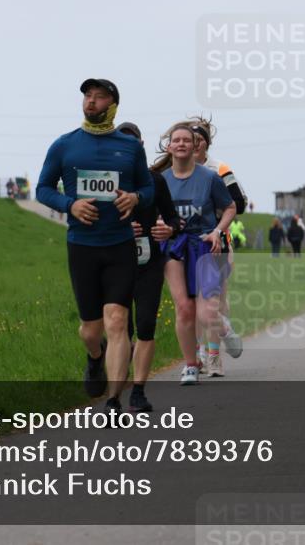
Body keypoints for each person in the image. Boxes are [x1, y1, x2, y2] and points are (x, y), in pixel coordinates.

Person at [36, 79, 153, 416]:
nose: (91, 101)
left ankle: (114, 400)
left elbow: (146, 188)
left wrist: (135, 197)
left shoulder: (130, 147)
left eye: (99, 96)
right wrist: (69, 204)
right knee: (91, 330)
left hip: (120, 245)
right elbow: (43, 188)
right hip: (82, 246)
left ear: (113, 104)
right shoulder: (65, 145)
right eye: (87, 96)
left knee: (117, 320)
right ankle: (94, 357)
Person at [152, 123, 236, 383]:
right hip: (174, 246)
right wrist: (158, 226)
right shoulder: (160, 180)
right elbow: (151, 213)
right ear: (169, 146)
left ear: (195, 145)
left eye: (186, 140)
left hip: (204, 245)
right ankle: (191, 364)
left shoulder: (209, 177)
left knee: (206, 313)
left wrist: (218, 232)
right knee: (184, 309)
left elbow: (231, 207)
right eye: (175, 140)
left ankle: (224, 328)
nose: (181, 144)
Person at [118, 122, 181, 412]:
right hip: (114, 263)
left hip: (149, 262)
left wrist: (167, 230)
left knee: (145, 325)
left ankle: (138, 391)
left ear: (141, 146)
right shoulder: (107, 180)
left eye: (133, 144)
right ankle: (115, 390)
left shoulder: (154, 181)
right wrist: (118, 230)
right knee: (120, 327)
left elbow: (173, 218)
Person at [190, 118, 246, 369]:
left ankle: (214, 356)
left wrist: (213, 211)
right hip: (189, 245)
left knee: (216, 301)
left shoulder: (220, 169)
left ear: (206, 143)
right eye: (190, 139)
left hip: (218, 243)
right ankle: (202, 352)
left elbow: (240, 203)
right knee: (195, 303)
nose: (194, 143)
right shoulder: (180, 169)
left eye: (199, 139)